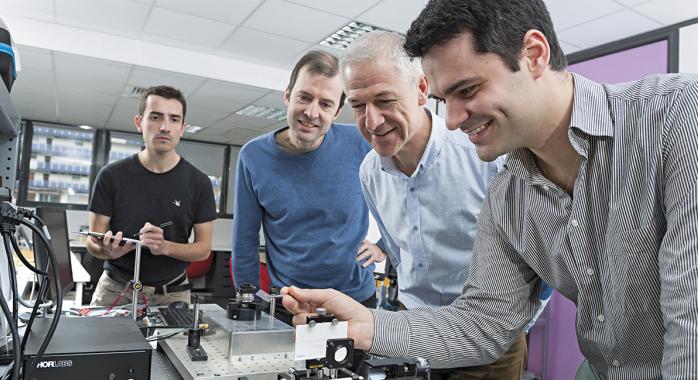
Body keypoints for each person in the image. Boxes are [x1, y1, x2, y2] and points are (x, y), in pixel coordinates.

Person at [281, 0, 698, 379]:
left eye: (467, 91)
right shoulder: (507, 194)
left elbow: (690, 326)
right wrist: (368, 326)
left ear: (533, 54)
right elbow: (484, 323)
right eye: (447, 99)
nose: (453, 120)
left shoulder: (676, 118)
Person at [342, 31, 526, 379]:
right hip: (410, 330)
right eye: (358, 106)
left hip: (483, 339)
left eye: (385, 100)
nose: (371, 121)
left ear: (422, 90)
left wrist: (518, 321)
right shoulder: (370, 171)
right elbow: (396, 250)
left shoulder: (482, 156)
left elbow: (529, 254)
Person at [232, 51, 376, 315]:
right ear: (288, 95)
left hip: (355, 300)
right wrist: (247, 300)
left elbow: (408, 190)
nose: (312, 112)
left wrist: (386, 245)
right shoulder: (253, 156)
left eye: (325, 104)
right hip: (291, 303)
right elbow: (244, 239)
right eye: (305, 97)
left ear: (337, 111)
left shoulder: (362, 143)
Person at [87, 85, 216, 307]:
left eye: (174, 119)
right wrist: (106, 250)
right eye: (156, 117)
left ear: (183, 127)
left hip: (172, 294)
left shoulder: (199, 183)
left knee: (176, 344)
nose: (165, 127)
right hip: (116, 289)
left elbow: (203, 249)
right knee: (101, 343)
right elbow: (92, 241)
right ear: (140, 122)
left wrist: (165, 247)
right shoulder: (111, 176)